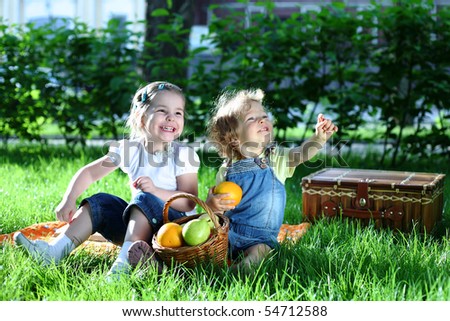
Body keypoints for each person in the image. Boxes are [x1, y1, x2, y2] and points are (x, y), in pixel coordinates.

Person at [14, 81, 200, 277]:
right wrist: (69, 199)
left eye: (178, 113)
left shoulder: (182, 155)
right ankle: (54, 252)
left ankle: (123, 266)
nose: (171, 118)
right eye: (163, 110)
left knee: (143, 198)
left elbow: (188, 201)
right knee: (100, 202)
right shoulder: (129, 150)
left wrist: (154, 191)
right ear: (142, 118)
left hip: (173, 231)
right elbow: (90, 173)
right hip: (137, 229)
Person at [205, 88, 338, 271]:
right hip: (229, 233)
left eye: (264, 116)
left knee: (260, 253)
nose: (262, 120)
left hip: (260, 239)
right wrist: (212, 205)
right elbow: (220, 212)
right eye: (251, 118)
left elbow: (301, 154)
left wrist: (319, 138)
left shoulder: (276, 159)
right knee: (206, 246)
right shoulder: (226, 170)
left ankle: (237, 271)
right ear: (233, 137)